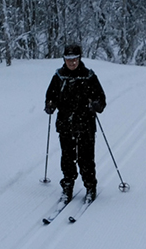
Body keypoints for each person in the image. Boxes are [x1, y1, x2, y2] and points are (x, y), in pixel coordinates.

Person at [45, 44, 106, 204]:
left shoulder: (89, 76)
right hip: (65, 124)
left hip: (85, 124)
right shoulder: (59, 77)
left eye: (74, 59)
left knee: (86, 158)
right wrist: (50, 105)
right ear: (64, 60)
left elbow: (101, 99)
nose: (71, 63)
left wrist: (96, 105)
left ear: (79, 59)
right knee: (67, 158)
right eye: (68, 59)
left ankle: (90, 187)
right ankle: (67, 187)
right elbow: (50, 96)